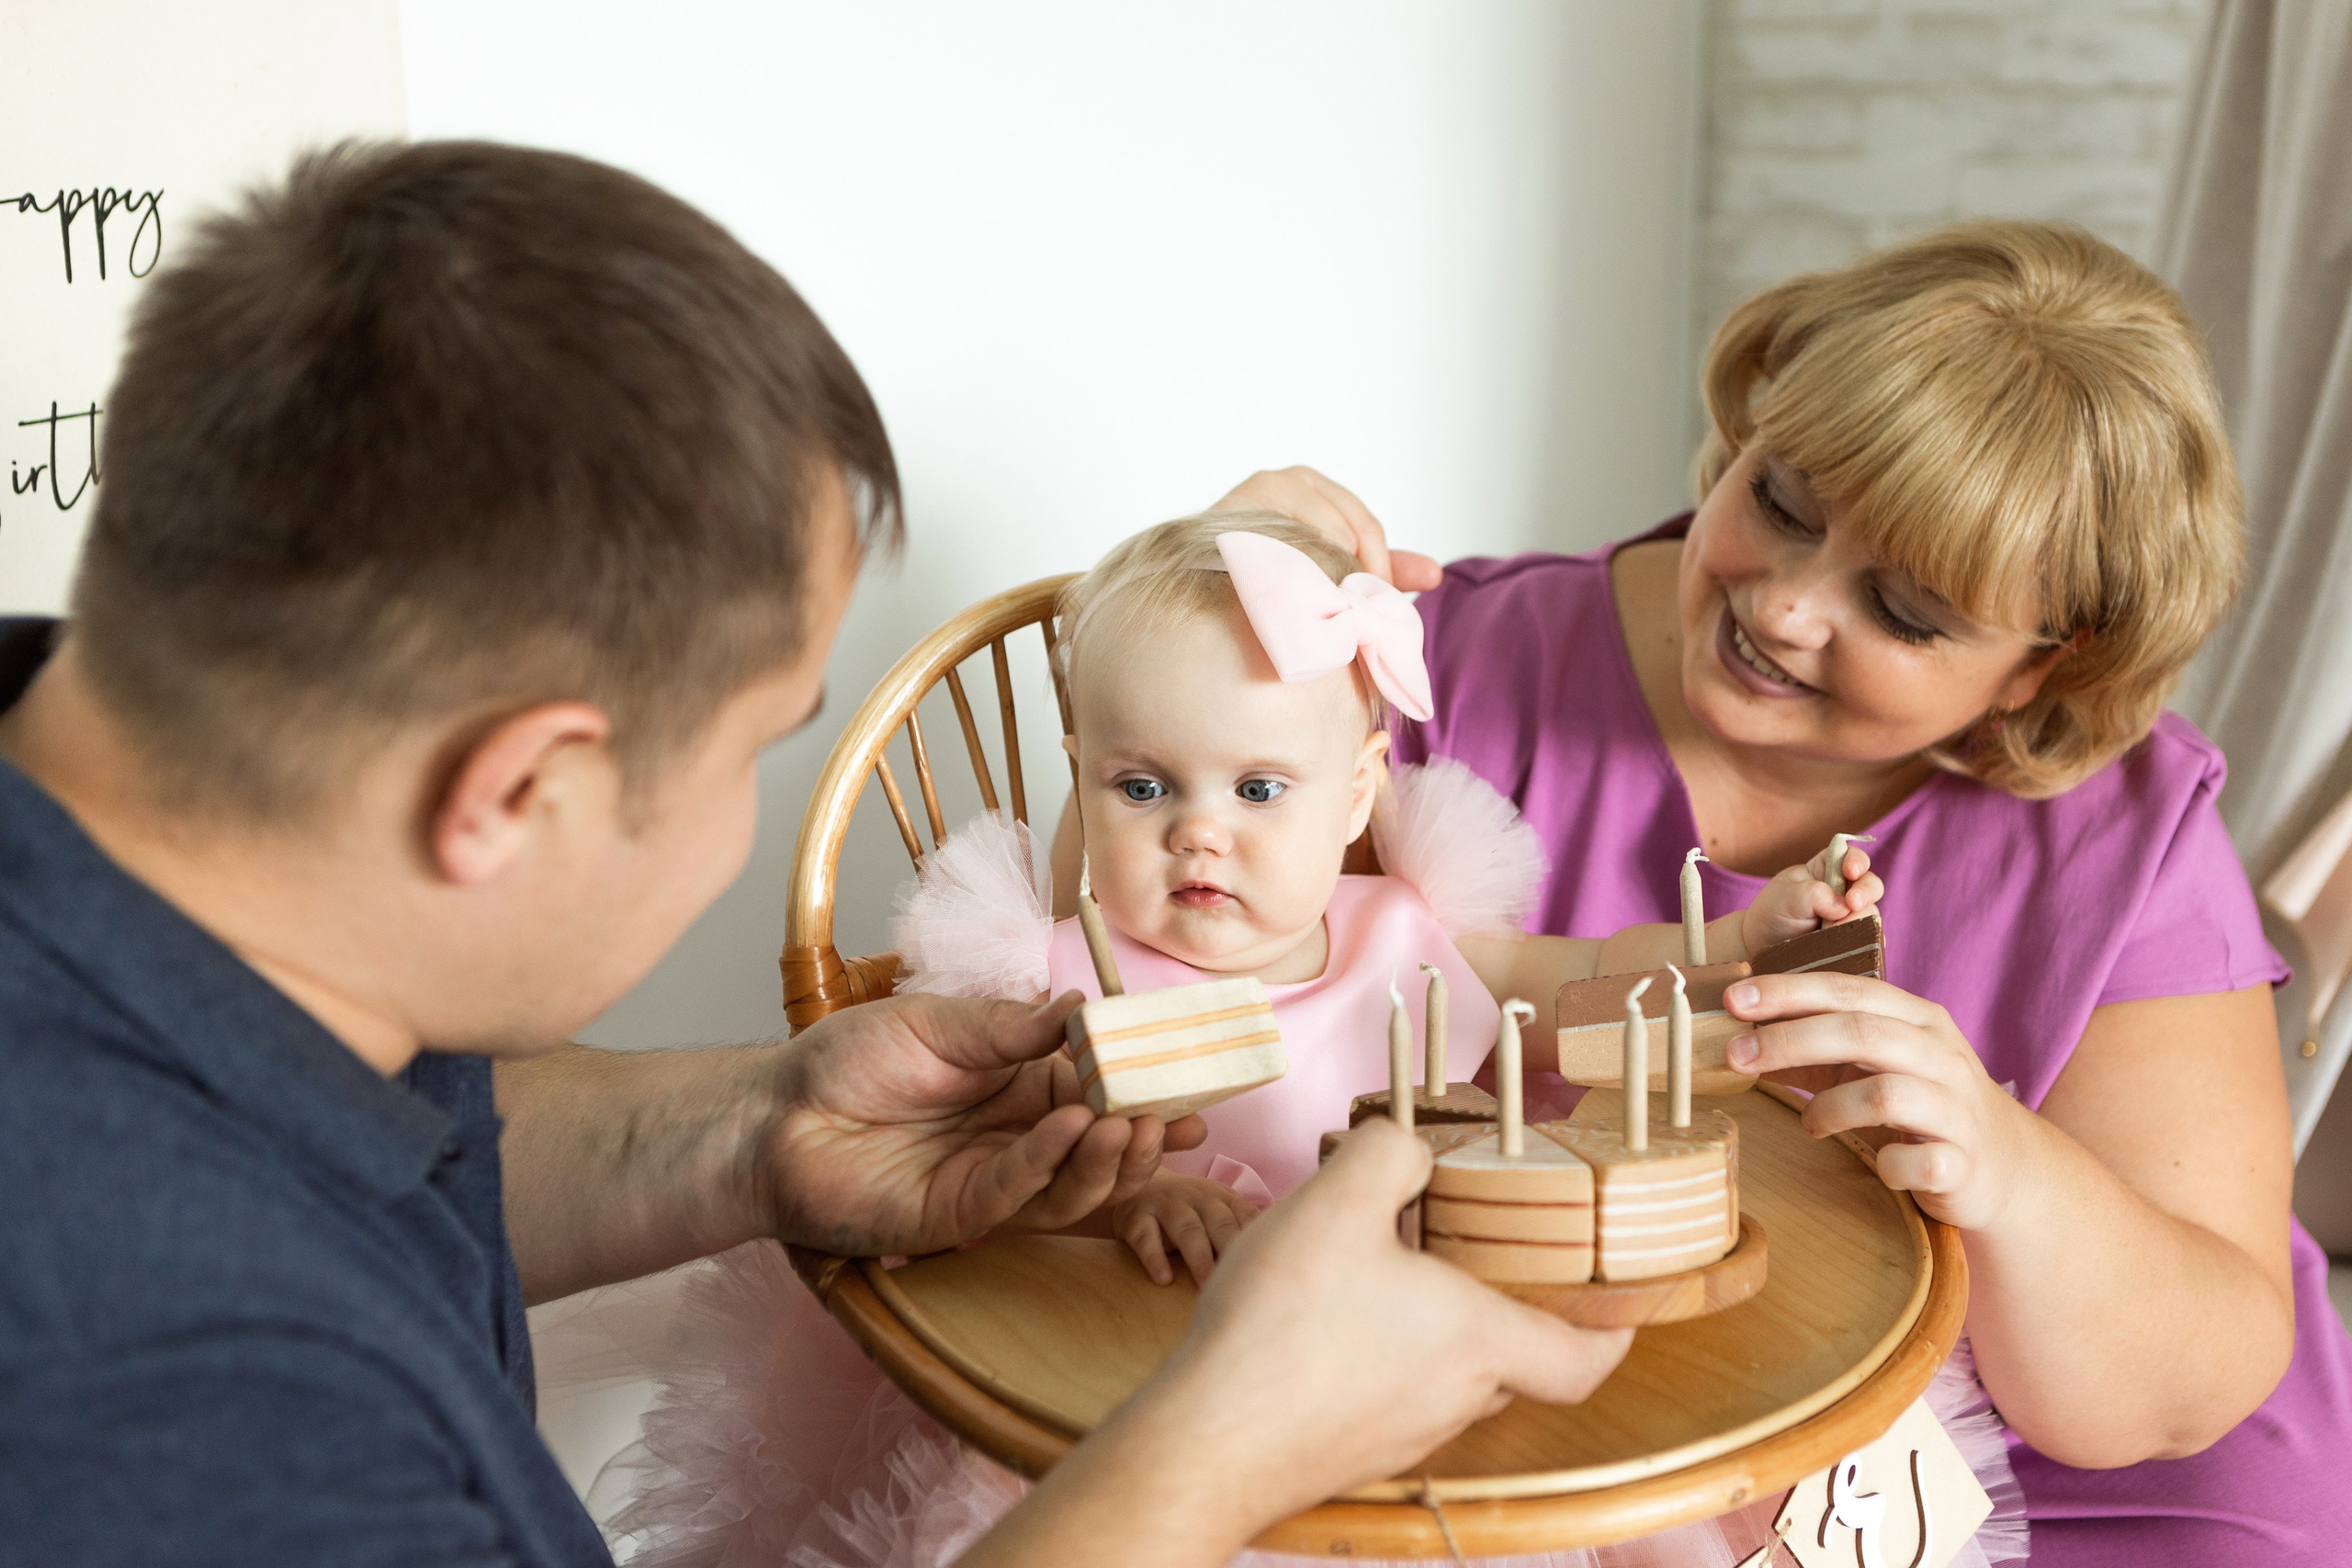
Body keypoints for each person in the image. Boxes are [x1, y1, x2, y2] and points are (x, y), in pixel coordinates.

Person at [0, 139, 1630, 1567]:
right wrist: (1219, 1451)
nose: (738, 830)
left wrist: (758, 1129)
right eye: (753, 745)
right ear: (514, 791)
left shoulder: (134, 832)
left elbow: (391, 1122)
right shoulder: (184, 1405)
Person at [1231, 220, 2352, 1564]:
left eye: (1906, 610)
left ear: (2047, 666)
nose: (1787, 609)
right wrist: (1225, 625)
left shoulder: (2127, 837)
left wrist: (2002, 1165)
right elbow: (1133, 974)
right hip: (1576, 1453)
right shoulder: (1446, 675)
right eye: (1783, 502)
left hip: (2069, 1488)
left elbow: (2179, 1387)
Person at [580, 513, 1885, 1566]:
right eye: (1142, 787)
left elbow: (1600, 973)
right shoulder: (1063, 983)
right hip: (1147, 1379)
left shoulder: (1405, 929)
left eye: (1260, 790)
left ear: (1358, 793)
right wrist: (1132, 1193)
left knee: (1623, 1486)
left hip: (1430, 1353)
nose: (1199, 832)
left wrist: (1741, 939)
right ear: (1081, 772)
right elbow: (987, 1178)